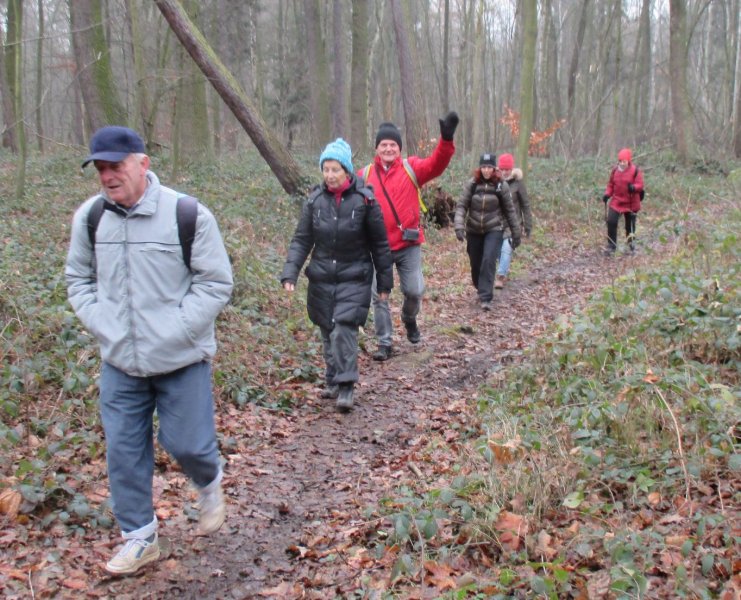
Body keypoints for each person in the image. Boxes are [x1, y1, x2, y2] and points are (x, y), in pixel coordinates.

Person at [65, 126, 233, 575]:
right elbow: (77, 281)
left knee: (187, 444)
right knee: (122, 450)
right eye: (100, 168)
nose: (107, 176)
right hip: (120, 362)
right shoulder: (90, 218)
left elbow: (216, 283)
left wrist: (176, 328)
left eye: (115, 166)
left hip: (181, 358)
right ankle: (139, 537)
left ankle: (209, 480)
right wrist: (103, 324)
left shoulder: (188, 214)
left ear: (142, 164)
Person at [281, 138, 393, 411]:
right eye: (326, 169)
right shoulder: (314, 201)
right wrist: (290, 273)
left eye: (335, 169)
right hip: (321, 277)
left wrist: (385, 282)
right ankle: (332, 378)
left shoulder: (365, 200)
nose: (330, 175)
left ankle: (346, 385)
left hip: (355, 275)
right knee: (327, 329)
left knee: (343, 328)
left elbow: (380, 243)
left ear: (347, 170)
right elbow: (301, 239)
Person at [360, 112, 459, 361]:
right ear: (377, 148)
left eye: (393, 144)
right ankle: (384, 342)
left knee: (414, 291)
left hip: (408, 244)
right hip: (377, 248)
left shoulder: (411, 168)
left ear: (399, 148)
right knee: (378, 297)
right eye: (384, 144)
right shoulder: (364, 175)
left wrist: (446, 139)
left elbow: (437, 163)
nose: (388, 148)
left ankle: (409, 319)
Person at [454, 153, 521, 311]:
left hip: (494, 229)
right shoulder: (472, 184)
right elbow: (462, 206)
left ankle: (485, 297)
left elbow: (510, 211)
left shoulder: (501, 185)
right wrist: (459, 226)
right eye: (483, 167)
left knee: (488, 260)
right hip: (474, 229)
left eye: (489, 167)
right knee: (476, 263)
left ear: (494, 168)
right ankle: (480, 286)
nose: (486, 170)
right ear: (479, 168)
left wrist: (516, 233)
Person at [495, 153, 532, 289]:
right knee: (498, 251)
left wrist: (527, 226)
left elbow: (526, 206)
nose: (504, 172)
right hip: (497, 223)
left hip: (513, 224)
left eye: (507, 169)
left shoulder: (518, 184)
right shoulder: (495, 183)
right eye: (502, 169)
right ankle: (503, 269)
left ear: (511, 170)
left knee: (506, 249)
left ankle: (500, 276)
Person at [601, 147, 644, 254]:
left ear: (628, 160)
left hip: (631, 202)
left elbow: (640, 184)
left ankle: (631, 245)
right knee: (611, 221)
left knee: (630, 225)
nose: (622, 163)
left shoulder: (635, 171)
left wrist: (634, 187)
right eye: (620, 161)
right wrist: (607, 194)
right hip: (617, 200)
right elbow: (611, 184)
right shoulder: (615, 170)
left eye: (624, 161)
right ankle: (611, 245)